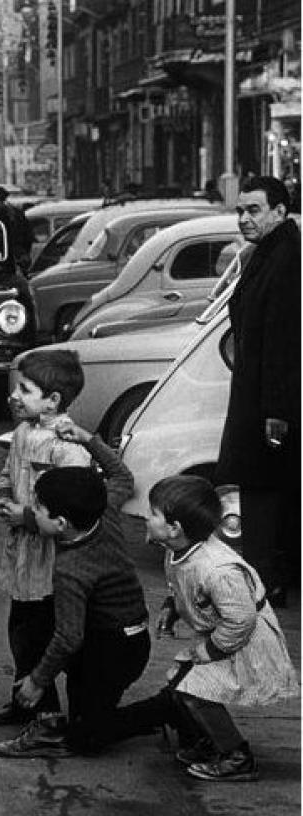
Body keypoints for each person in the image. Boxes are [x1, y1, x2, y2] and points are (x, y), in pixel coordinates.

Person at [68, 475, 298, 782]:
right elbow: (182, 585)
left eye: (153, 513)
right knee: (182, 683)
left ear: (174, 528)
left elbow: (241, 620)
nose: (146, 518)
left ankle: (235, 755)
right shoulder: (178, 548)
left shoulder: (218, 570)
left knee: (194, 691)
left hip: (243, 640)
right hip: (226, 634)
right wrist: (172, 608)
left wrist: (210, 651)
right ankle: (207, 741)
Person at [0, 420, 151, 759]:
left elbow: (68, 637)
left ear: (61, 524)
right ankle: (56, 717)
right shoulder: (103, 509)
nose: (32, 513)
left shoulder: (70, 569)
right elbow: (122, 476)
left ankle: (167, 708)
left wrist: (37, 680)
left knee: (87, 738)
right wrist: (86, 438)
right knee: (33, 626)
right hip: (124, 637)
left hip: (115, 651)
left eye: (38, 510)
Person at [0, 351, 91, 727]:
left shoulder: (67, 447)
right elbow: (7, 472)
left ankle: (46, 714)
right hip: (24, 556)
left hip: (52, 561)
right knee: (20, 631)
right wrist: (2, 496)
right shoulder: (23, 434)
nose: (15, 395)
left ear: (53, 401)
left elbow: (75, 509)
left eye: (26, 390)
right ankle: (24, 701)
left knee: (38, 635)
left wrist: (27, 516)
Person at [215, 175, 301, 606]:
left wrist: (277, 411)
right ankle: (272, 575)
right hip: (262, 397)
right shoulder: (269, 252)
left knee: (267, 493)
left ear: (280, 212)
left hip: (270, 403)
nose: (244, 219)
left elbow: (284, 341)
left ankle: (267, 579)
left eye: (254, 210)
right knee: (271, 493)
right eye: (240, 210)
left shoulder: (286, 258)